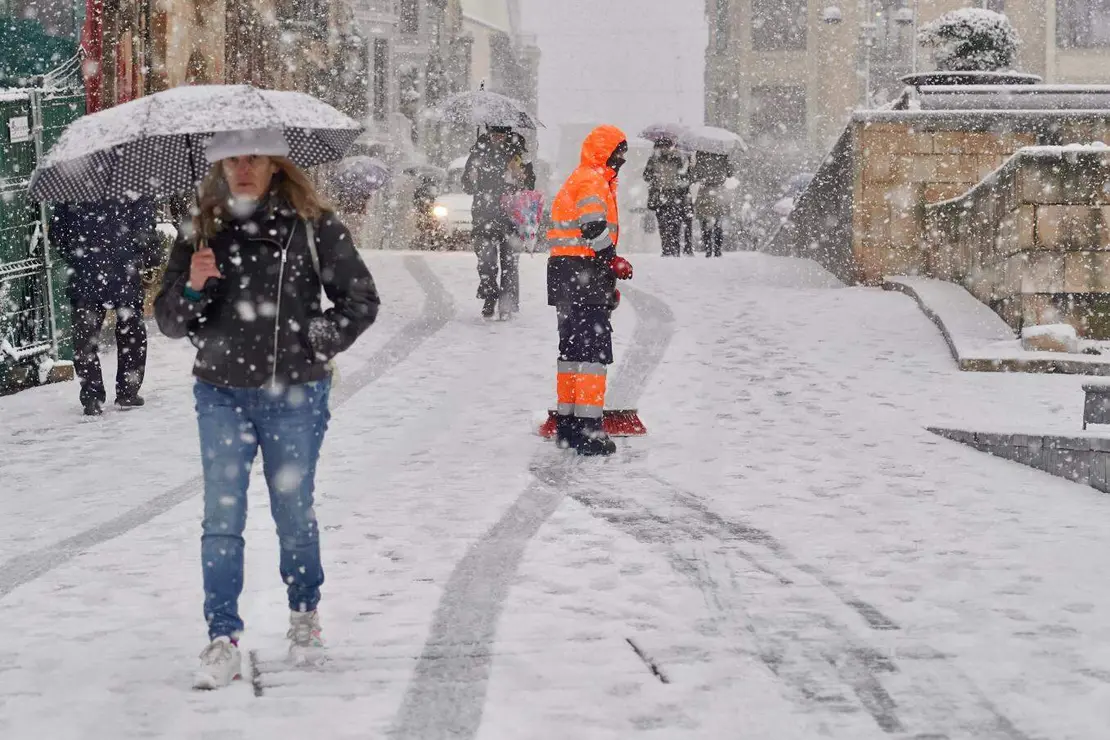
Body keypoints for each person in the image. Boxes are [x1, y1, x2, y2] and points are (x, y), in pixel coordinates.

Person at [154, 129, 380, 689]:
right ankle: (222, 638)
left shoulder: (313, 225)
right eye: (232, 159)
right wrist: (193, 287)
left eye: (254, 156)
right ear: (219, 165)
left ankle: (304, 614)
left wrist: (314, 340)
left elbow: (360, 300)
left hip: (294, 394)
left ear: (276, 163)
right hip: (220, 392)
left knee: (292, 511)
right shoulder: (202, 229)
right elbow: (169, 321)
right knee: (221, 518)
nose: (243, 168)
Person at [546, 125, 633, 457]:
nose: (622, 160)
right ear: (605, 153)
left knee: (571, 352)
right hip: (583, 272)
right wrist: (612, 262)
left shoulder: (581, 178)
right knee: (593, 354)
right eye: (619, 153)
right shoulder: (592, 180)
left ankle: (568, 426)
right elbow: (593, 226)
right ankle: (589, 430)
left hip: (566, 274)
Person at [50, 196, 158, 416]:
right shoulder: (133, 184)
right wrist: (143, 258)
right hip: (124, 272)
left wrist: (77, 254)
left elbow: (57, 233)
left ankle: (92, 396)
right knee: (132, 333)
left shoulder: (72, 187)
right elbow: (145, 230)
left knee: (85, 338)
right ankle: (128, 391)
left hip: (85, 273)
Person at [462, 125, 534, 318]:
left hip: (511, 217)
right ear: (488, 133)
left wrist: (521, 176)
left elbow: (529, 185)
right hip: (483, 216)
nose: (497, 138)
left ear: (508, 134)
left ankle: (507, 304)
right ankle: (490, 294)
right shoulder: (478, 152)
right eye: (494, 134)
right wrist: (471, 178)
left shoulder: (518, 154)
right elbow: (466, 186)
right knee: (486, 262)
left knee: (510, 265)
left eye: (501, 135)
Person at [642, 138, 689, 257]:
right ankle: (670, 248)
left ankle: (670, 248)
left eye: (665, 147)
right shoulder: (656, 160)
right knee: (668, 223)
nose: (663, 149)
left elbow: (682, 177)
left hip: (667, 195)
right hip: (666, 196)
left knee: (670, 223)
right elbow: (646, 176)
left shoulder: (670, 159)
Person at [691, 151, 733, 258]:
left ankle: (709, 248)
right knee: (717, 222)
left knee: (705, 222)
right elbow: (730, 173)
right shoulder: (721, 156)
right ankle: (716, 249)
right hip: (717, 192)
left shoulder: (701, 155)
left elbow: (695, 176)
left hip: (705, 192)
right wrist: (726, 161)